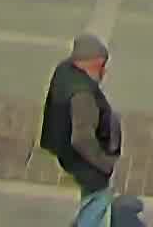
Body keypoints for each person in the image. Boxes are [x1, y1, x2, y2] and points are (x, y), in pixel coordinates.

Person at [42, 32, 125, 225]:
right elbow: (82, 139)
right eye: (102, 65)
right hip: (87, 163)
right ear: (92, 63)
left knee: (92, 202)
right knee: (97, 204)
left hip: (66, 152)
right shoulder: (82, 95)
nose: (104, 72)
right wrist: (103, 163)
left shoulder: (64, 70)